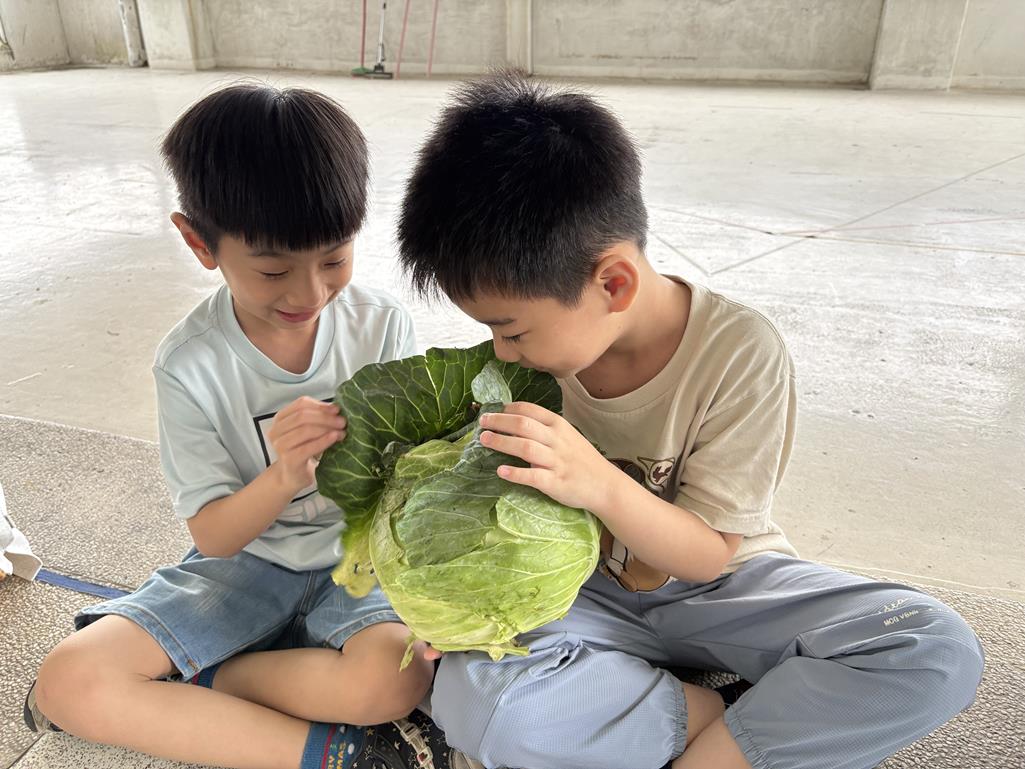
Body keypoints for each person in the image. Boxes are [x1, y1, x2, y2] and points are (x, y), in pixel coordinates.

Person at [396, 71, 985, 769]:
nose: (499, 351)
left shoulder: (739, 350)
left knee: (933, 648)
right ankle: (717, 713)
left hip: (726, 587)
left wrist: (598, 482)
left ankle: (700, 747)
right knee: (475, 700)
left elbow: (708, 555)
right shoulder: (526, 362)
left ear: (612, 283)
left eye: (512, 330)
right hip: (577, 596)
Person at [25, 83, 463, 769]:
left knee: (394, 678)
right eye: (272, 269)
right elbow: (215, 535)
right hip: (242, 567)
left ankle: (211, 679)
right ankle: (350, 754)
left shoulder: (380, 324)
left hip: (361, 564)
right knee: (67, 683)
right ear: (198, 242)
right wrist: (284, 475)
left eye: (334, 259)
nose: (310, 293)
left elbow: (410, 479)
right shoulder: (190, 363)